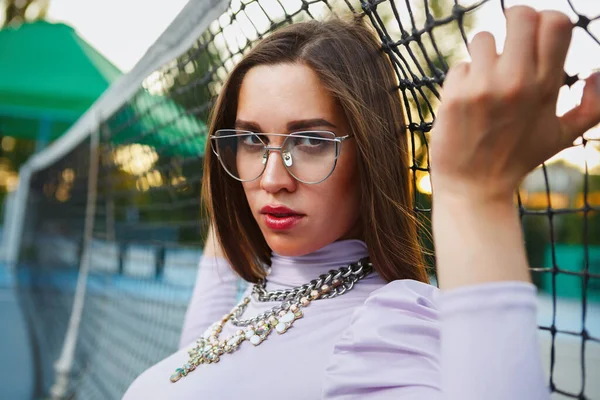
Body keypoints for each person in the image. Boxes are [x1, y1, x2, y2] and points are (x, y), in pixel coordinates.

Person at [123, 6, 600, 399]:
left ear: (369, 154)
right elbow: (200, 366)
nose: (272, 179)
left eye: (310, 141)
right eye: (252, 140)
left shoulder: (385, 329)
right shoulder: (261, 296)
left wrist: (477, 194)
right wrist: (231, 199)